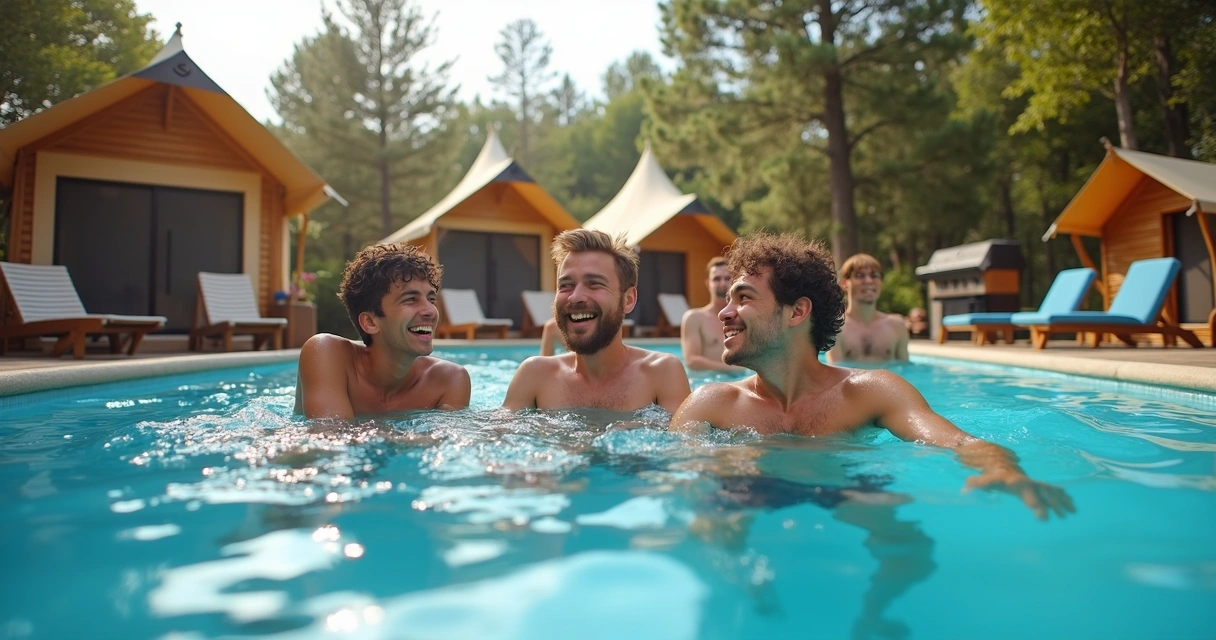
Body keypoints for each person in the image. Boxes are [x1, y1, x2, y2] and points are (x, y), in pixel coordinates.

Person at [671, 233, 1074, 520]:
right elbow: (676, 480)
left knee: (893, 522)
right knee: (717, 515)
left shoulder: (870, 392)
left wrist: (1004, 468)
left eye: (744, 298)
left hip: (848, 491)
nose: (724, 312)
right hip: (748, 492)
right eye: (727, 300)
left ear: (797, 312)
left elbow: (956, 441)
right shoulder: (710, 404)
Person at [503, 229, 690, 413]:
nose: (575, 297)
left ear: (628, 300)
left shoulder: (661, 373)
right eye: (565, 286)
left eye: (594, 284)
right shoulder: (535, 375)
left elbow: (686, 442)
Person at [294, 243, 471, 419]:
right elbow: (329, 439)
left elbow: (449, 443)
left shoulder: (450, 380)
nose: (431, 311)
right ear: (370, 322)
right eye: (410, 299)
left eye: (431, 299)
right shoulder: (326, 353)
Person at [827, 253, 909, 363]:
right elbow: (834, 374)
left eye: (874, 275)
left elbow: (906, 371)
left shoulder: (897, 326)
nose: (869, 281)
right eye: (860, 276)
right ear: (844, 283)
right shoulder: (835, 327)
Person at [682, 256, 746, 373]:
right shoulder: (694, 318)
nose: (722, 283)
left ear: (734, 282)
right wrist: (735, 370)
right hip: (709, 382)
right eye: (716, 279)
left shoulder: (744, 316)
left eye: (727, 278)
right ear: (708, 283)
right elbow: (692, 361)